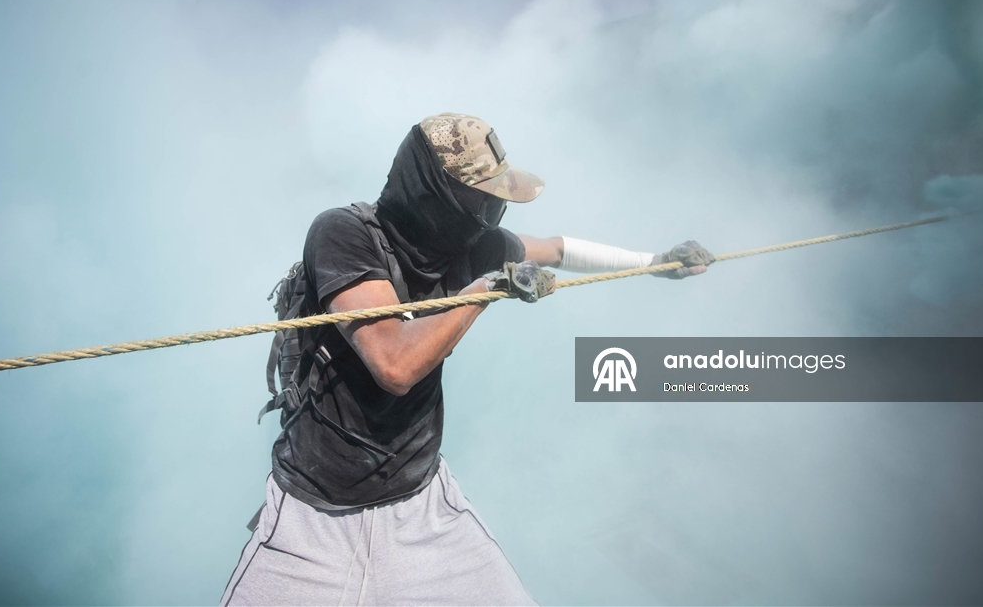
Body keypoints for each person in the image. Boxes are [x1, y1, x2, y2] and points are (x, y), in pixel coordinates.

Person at [220, 113, 714, 606]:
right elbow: (394, 363)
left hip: (423, 507)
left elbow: (557, 250)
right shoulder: (344, 234)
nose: (496, 207)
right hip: (310, 522)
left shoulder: (472, 246)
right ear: (437, 194)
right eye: (485, 195)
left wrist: (656, 263)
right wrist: (488, 288)